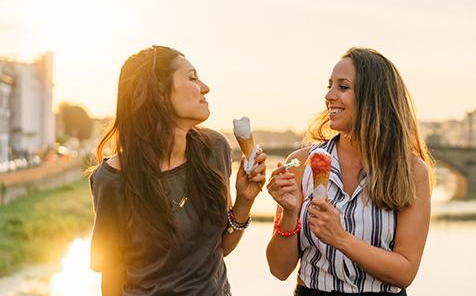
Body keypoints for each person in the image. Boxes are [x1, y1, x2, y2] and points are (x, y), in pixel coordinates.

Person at [88, 45, 267, 296]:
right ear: (160, 93)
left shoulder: (214, 149)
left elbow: (220, 247)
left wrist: (245, 200)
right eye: (192, 78)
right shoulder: (113, 179)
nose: (205, 87)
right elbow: (112, 274)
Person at [266, 47, 432, 296]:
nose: (329, 95)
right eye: (329, 85)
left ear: (373, 97)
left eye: (343, 87)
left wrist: (340, 238)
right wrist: (289, 214)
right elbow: (279, 270)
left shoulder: (410, 170)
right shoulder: (301, 164)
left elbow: (405, 272)